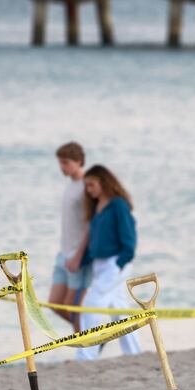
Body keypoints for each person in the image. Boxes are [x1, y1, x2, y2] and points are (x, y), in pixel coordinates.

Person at [75, 164, 142, 360]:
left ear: (104, 182)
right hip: (99, 265)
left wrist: (121, 262)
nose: (89, 190)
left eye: (92, 184)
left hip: (115, 263)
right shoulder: (97, 208)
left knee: (90, 305)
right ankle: (134, 354)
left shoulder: (118, 205)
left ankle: (86, 355)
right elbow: (97, 241)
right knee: (119, 310)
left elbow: (129, 237)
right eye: (86, 186)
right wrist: (82, 260)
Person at [49, 142, 91, 331]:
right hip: (63, 252)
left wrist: (79, 256)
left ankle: (86, 348)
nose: (61, 167)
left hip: (78, 255)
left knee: (73, 307)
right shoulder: (70, 185)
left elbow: (92, 224)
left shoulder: (86, 186)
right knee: (55, 303)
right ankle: (92, 336)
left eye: (65, 163)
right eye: (60, 163)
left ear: (79, 161)